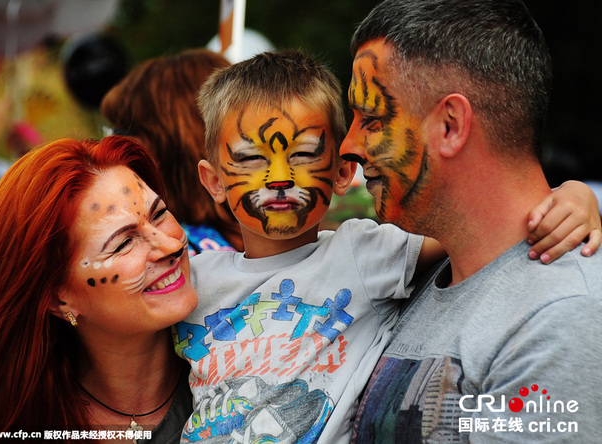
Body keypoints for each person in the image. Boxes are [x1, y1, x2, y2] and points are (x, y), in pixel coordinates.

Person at [172, 50, 600, 443]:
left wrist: (571, 196)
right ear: (213, 180)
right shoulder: (193, 281)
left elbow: (480, 224)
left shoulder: (363, 254)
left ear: (342, 173)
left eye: (303, 154)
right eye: (250, 159)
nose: (280, 177)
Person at [339, 1, 602, 442]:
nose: (350, 145)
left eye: (372, 119)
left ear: (450, 124)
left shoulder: (560, 316)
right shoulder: (424, 275)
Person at [0, 136, 197, 442]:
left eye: (159, 213)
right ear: (58, 299)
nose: (171, 245)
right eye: (124, 243)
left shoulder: (253, 359)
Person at [100, 49, 243, 255]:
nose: (110, 146)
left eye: (121, 133)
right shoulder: (279, 232)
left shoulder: (170, 256)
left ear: (170, 145)